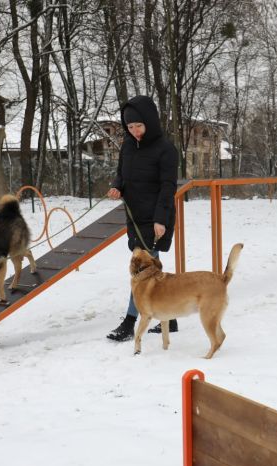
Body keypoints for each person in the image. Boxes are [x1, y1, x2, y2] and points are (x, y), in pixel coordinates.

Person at [106, 95, 180, 342]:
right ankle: (171, 317)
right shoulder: (127, 146)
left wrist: (161, 219)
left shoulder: (166, 150)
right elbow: (121, 175)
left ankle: (129, 322)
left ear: (149, 122)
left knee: (143, 271)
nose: (134, 131)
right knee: (153, 269)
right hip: (134, 217)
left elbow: (168, 187)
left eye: (138, 125)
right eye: (129, 127)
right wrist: (118, 187)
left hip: (155, 218)